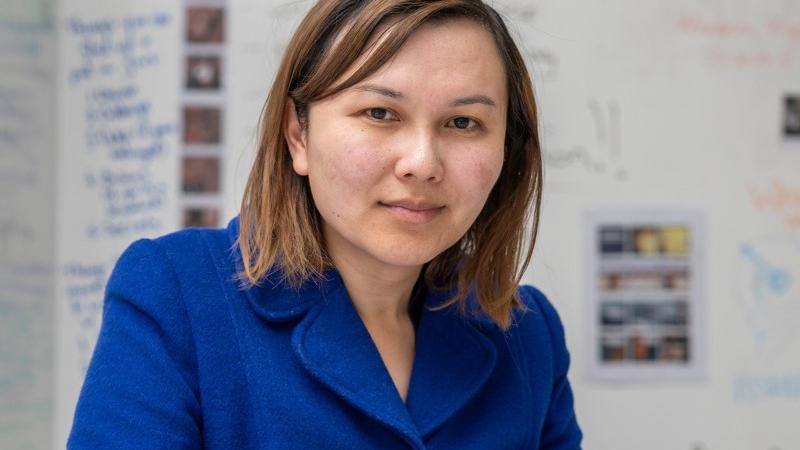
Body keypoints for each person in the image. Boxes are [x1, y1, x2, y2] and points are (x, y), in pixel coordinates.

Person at [68, 0, 582, 448]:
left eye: (463, 122)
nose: (422, 163)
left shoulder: (528, 335)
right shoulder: (175, 293)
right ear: (298, 135)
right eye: (380, 113)